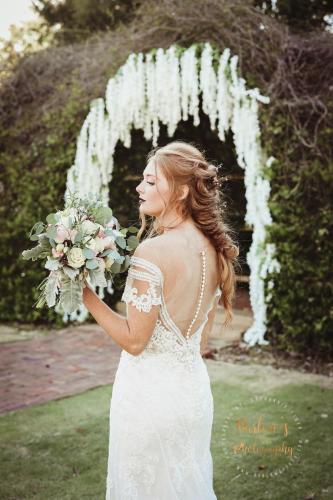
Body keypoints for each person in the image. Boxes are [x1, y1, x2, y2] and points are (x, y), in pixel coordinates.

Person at [83, 140, 239, 499]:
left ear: (182, 190)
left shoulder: (151, 252)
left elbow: (135, 341)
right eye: (143, 179)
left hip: (147, 399)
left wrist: (86, 294)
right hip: (193, 396)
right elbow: (199, 344)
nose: (140, 187)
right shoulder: (215, 251)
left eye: (151, 181)